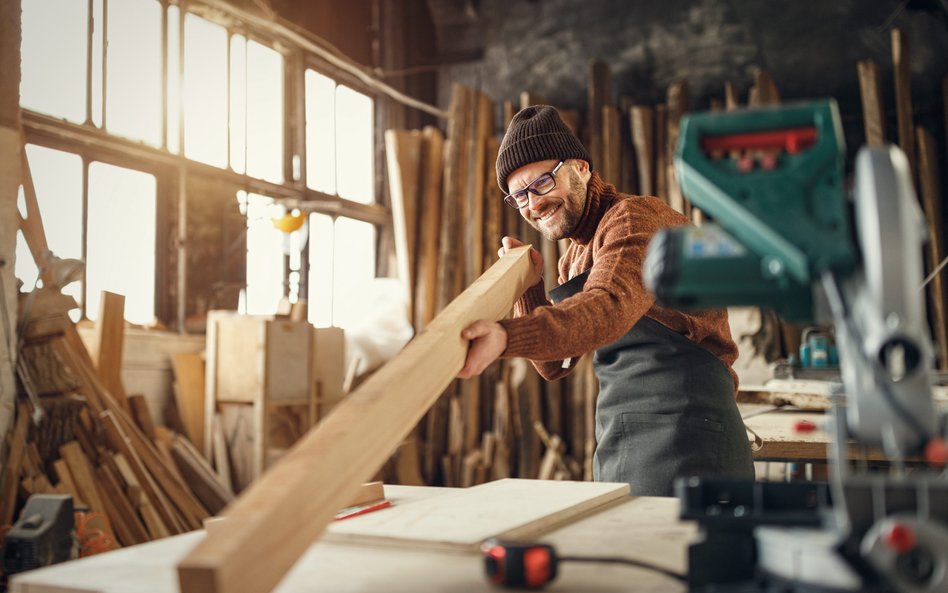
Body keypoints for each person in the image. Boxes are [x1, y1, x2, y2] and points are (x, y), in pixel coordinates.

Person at [458, 105, 754, 496]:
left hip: (689, 432)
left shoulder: (635, 220)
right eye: (520, 196)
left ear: (580, 167)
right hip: (624, 435)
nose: (534, 204)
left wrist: (504, 335)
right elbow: (555, 365)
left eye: (543, 182)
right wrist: (531, 286)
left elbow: (608, 306)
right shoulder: (573, 257)